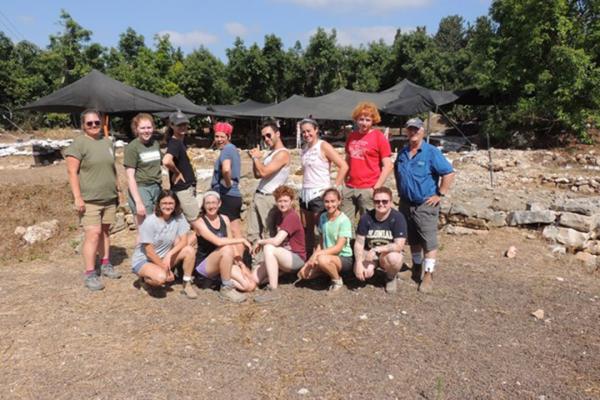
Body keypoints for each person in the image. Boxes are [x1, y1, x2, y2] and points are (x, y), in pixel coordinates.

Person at [394, 117, 455, 293]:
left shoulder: (431, 152)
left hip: (425, 204)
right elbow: (398, 172)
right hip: (406, 204)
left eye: (416, 129)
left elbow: (448, 173)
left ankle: (428, 275)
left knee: (428, 241)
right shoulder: (403, 152)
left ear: (423, 131)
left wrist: (440, 194)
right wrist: (400, 192)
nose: (413, 132)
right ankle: (416, 268)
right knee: (412, 239)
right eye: (410, 129)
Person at [65, 109, 121, 291]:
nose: (94, 126)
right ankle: (90, 273)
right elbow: (72, 172)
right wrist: (77, 197)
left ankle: (105, 263)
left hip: (109, 197)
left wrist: (118, 187)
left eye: (97, 122)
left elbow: (112, 168)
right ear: (83, 125)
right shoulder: (79, 144)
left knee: (105, 232)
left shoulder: (107, 142)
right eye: (89, 123)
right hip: (90, 199)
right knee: (93, 234)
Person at [131, 190, 197, 298]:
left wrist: (170, 254)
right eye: (164, 203)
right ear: (158, 204)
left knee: (189, 250)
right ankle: (144, 280)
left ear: (176, 204)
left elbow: (184, 241)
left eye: (171, 203)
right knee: (161, 278)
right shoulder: (150, 222)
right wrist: (165, 269)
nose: (168, 206)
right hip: (145, 260)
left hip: (164, 257)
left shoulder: (179, 218)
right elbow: (149, 252)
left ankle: (187, 283)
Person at [193, 191, 256, 303]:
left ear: (219, 204)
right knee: (226, 248)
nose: (211, 206)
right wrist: (241, 239)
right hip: (206, 266)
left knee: (250, 286)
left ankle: (219, 280)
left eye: (214, 202)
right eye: (208, 203)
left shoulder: (225, 219)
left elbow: (231, 244)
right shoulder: (199, 223)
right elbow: (218, 242)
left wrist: (242, 265)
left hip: (224, 261)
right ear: (203, 205)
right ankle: (226, 288)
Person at [299, 118, 348, 256]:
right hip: (305, 194)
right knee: (306, 229)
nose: (306, 134)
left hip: (319, 193)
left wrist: (334, 188)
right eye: (303, 132)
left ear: (316, 130)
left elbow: (343, 166)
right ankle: (308, 259)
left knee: (320, 230)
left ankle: (322, 260)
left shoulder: (323, 146)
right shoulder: (304, 149)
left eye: (309, 131)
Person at [342, 102, 393, 227]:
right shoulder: (352, 136)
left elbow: (388, 165)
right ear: (356, 119)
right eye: (361, 119)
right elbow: (348, 160)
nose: (364, 123)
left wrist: (376, 187)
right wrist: (343, 181)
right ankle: (348, 246)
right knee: (345, 223)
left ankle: (368, 246)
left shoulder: (378, 137)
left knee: (369, 224)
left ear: (373, 121)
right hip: (350, 187)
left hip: (368, 187)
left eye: (367, 120)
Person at [252, 185, 306, 303]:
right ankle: (277, 274)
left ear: (291, 201)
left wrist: (260, 241)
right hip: (283, 256)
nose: (282, 204)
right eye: (280, 201)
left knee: (269, 247)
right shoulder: (280, 215)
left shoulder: (292, 216)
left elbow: (276, 241)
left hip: (296, 258)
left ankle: (273, 290)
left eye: (286, 201)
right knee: (253, 280)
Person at [297, 188, 353, 292]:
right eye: (327, 201)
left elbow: (338, 248)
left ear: (339, 201)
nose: (330, 205)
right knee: (304, 274)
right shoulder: (323, 217)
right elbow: (322, 241)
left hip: (343, 257)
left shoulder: (344, 220)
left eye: (333, 201)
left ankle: (337, 280)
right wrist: (313, 258)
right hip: (326, 255)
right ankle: (327, 272)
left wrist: (316, 255)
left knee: (322, 259)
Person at [354, 187, 407, 293]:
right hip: (368, 254)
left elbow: (399, 245)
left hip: (386, 253)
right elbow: (359, 242)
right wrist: (359, 263)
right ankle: (373, 268)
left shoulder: (398, 218)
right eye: (377, 201)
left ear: (391, 202)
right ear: (373, 202)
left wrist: (377, 249)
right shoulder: (366, 217)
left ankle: (390, 277)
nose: (381, 204)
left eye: (385, 201)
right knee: (360, 272)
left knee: (394, 258)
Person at [246, 120, 290, 243]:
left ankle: (266, 261)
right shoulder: (271, 153)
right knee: (253, 233)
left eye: (268, 135)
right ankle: (256, 262)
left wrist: (256, 158)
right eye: (263, 136)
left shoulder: (283, 154)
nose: (266, 139)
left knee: (267, 234)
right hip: (259, 195)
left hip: (269, 198)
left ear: (278, 134)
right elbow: (257, 174)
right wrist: (256, 160)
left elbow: (264, 172)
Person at [211, 121, 244, 256]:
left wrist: (227, 183)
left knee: (233, 231)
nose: (219, 140)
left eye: (222, 136)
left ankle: (238, 261)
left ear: (228, 136)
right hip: (232, 196)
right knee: (235, 230)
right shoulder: (232, 149)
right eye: (217, 136)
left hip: (227, 195)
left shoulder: (227, 149)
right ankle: (238, 260)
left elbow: (226, 169)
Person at [124, 113, 162, 228]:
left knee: (156, 226)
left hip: (156, 187)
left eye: (149, 127)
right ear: (136, 129)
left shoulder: (155, 144)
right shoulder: (132, 147)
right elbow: (130, 176)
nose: (146, 131)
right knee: (145, 230)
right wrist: (138, 202)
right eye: (143, 128)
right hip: (141, 188)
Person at [162, 111, 199, 224]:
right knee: (196, 222)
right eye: (179, 125)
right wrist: (177, 172)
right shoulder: (175, 143)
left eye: (184, 124)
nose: (183, 127)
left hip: (185, 187)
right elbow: (166, 161)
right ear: (172, 125)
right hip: (183, 189)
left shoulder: (179, 141)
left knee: (185, 224)